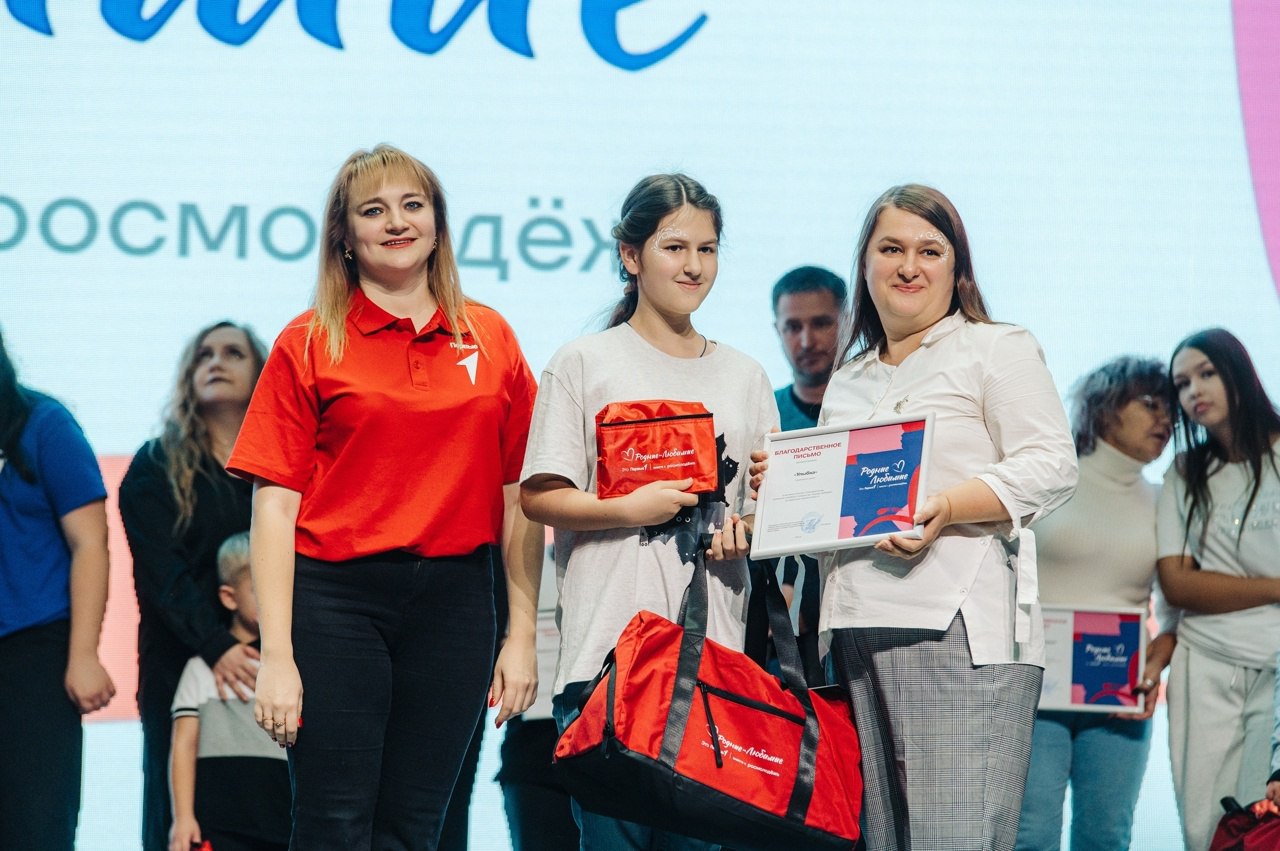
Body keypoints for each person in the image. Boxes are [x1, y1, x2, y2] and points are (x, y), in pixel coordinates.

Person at [227, 144, 543, 851]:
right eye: (373, 209)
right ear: (344, 233)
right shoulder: (307, 342)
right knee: (333, 823)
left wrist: (521, 636)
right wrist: (276, 654)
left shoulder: (489, 337)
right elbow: (273, 506)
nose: (396, 222)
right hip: (336, 600)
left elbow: (519, 493)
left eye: (412, 205)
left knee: (416, 826)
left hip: (459, 601)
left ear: (438, 222)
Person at [753, 184, 1077, 850]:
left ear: (956, 268)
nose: (909, 266)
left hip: (958, 631)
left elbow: (1052, 464)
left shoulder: (997, 347)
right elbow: (836, 515)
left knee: (949, 836)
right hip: (853, 631)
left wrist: (948, 507)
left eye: (930, 250)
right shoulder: (852, 377)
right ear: (864, 264)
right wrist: (785, 491)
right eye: (891, 248)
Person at [520, 172, 779, 851]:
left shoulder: (745, 375)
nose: (694, 265)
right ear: (630, 255)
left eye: (709, 249)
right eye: (674, 247)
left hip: (711, 666)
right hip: (606, 658)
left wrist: (751, 528)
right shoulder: (583, 362)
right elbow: (538, 495)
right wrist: (626, 506)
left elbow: (763, 517)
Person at [1015, 356, 1179, 851]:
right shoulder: (1046, 484)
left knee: (1106, 838)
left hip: (1119, 700)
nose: (1166, 419)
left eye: (1171, 409)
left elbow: (1174, 613)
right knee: (1031, 837)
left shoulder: (1164, 499)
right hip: (1034, 694)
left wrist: (1151, 673)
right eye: (1150, 403)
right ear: (1104, 407)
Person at [120, 319, 269, 851]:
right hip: (181, 662)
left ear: (262, 373)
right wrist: (218, 645)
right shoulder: (154, 465)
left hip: (275, 666)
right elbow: (162, 575)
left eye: (233, 352)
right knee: (178, 819)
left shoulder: (289, 465)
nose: (216, 361)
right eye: (204, 354)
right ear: (189, 376)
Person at [1156, 328, 1280, 851]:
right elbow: (1178, 583)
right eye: (1182, 383)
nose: (1193, 392)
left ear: (1238, 372)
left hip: (1277, 666)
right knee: (1204, 828)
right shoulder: (1185, 471)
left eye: (1206, 373)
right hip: (1204, 662)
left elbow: (1196, 578)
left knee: (1267, 822)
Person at [0, 328, 115, 851]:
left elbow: (90, 543)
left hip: (33, 649)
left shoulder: (45, 423)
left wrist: (84, 654)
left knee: (36, 822)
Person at [752, 265, 847, 684]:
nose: (807, 340)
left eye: (821, 323)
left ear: (848, 318)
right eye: (793, 326)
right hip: (778, 639)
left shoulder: (874, 412)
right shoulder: (761, 417)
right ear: (777, 329)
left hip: (856, 624)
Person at [169, 532, 290, 851]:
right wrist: (183, 818)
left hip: (284, 825)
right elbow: (183, 745)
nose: (276, 598)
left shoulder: (293, 671)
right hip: (219, 828)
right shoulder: (200, 669)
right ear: (229, 597)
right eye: (260, 587)